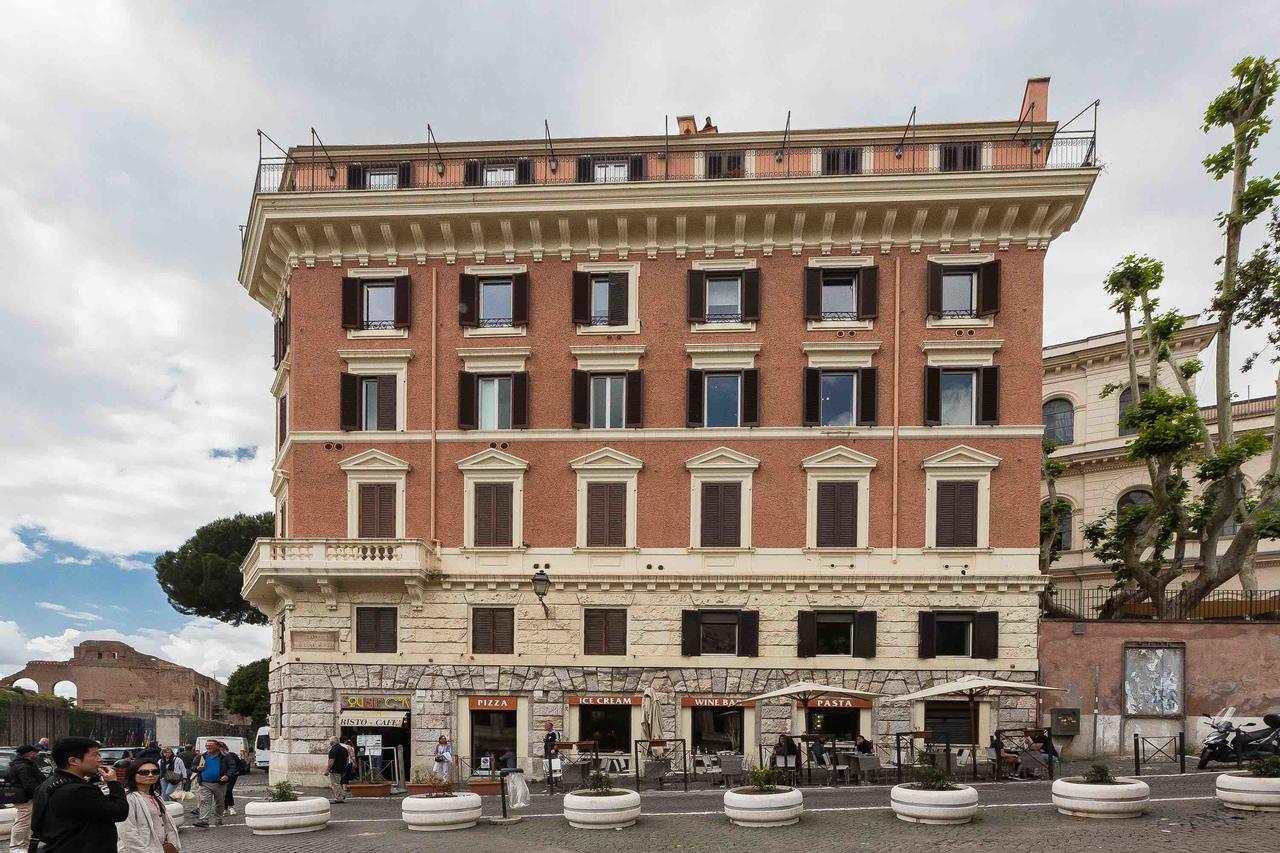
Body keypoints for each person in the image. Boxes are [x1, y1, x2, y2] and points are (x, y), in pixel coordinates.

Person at [29, 736, 128, 853]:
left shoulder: (46, 784)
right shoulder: (79, 790)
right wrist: (113, 783)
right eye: (95, 755)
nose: (100, 759)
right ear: (74, 761)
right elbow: (119, 812)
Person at [118, 758, 181, 853]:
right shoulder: (129, 798)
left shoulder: (156, 796)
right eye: (144, 772)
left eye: (155, 772)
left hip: (159, 848)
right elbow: (127, 831)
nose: (151, 775)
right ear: (133, 775)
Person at [6, 744, 45, 853]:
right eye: (35, 752)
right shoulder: (24, 767)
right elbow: (29, 784)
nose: (36, 754)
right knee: (23, 821)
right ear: (29, 753)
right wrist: (39, 794)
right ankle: (16, 847)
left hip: (26, 797)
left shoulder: (24, 764)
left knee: (27, 821)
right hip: (25, 798)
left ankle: (25, 845)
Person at [191, 741, 232, 828]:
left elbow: (232, 767)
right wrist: (197, 768)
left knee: (220, 803)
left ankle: (218, 819)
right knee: (204, 801)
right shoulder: (202, 756)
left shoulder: (225, 756)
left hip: (220, 784)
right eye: (206, 745)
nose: (208, 747)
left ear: (217, 746)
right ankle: (204, 820)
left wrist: (227, 776)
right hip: (204, 783)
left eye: (210, 745)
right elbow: (193, 767)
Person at [216, 742, 242, 815]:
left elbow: (240, 764)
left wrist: (236, 772)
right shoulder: (216, 756)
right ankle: (224, 808)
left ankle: (231, 807)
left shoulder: (231, 755)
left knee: (228, 790)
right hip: (220, 776)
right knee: (222, 792)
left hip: (231, 776)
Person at [324, 737, 349, 803]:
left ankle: (339, 798)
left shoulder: (333, 750)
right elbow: (347, 760)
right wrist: (345, 767)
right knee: (339, 783)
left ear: (332, 742)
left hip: (335, 769)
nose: (329, 742)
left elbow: (331, 761)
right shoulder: (344, 749)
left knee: (335, 784)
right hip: (343, 769)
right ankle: (342, 794)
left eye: (330, 741)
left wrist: (327, 770)